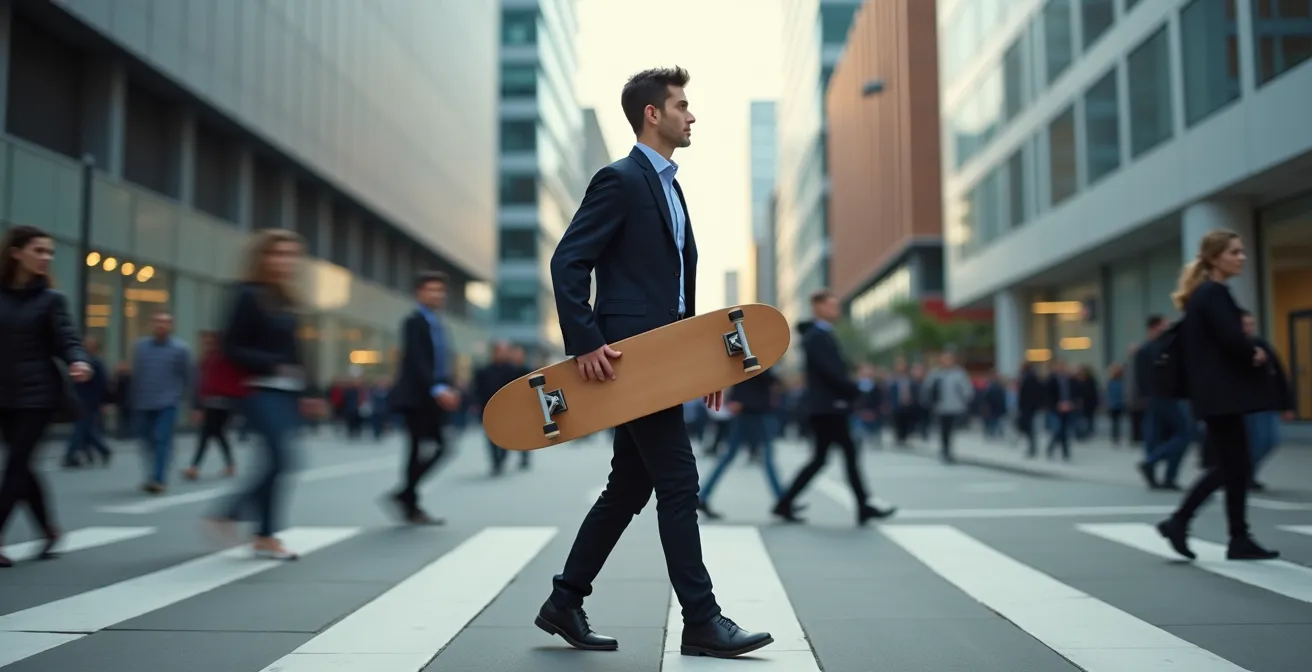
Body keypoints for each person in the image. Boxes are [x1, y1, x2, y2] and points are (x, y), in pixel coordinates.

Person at [536, 66, 772, 660]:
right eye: (683, 105)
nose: (691, 116)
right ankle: (701, 619)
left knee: (628, 485)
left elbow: (677, 296)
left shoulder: (671, 187)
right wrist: (585, 341)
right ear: (653, 114)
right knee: (678, 480)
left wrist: (705, 366)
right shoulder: (619, 180)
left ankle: (565, 600)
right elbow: (569, 264)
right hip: (626, 363)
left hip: (663, 363)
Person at [1156, 229, 1279, 561]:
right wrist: (1253, 353)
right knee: (1232, 465)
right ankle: (1181, 521)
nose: (1241, 257)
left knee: (1235, 466)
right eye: (1234, 252)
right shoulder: (1213, 294)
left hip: (1216, 395)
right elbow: (1230, 339)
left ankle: (1237, 537)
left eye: (1241, 251)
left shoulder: (1206, 294)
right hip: (1221, 395)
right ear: (1214, 258)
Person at [206, 229, 312, 560]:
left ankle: (265, 535)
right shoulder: (247, 294)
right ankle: (229, 512)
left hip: (286, 393)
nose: (284, 261)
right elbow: (230, 346)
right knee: (282, 459)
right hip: (256, 390)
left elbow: (297, 352)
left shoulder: (286, 299)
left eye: (290, 255)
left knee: (279, 462)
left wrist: (311, 390)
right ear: (262, 258)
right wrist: (273, 364)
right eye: (276, 254)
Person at [0, 225, 93, 568]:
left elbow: (66, 338)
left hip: (38, 395)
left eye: (49, 252)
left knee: (15, 465)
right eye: (39, 250)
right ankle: (49, 530)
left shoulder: (51, 300)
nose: (46, 258)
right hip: (3, 393)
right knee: (21, 466)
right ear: (16, 252)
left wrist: (78, 360)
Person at [771, 289, 896, 524]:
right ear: (818, 307)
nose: (836, 310)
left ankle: (785, 503)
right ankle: (862, 506)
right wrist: (857, 388)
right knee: (844, 455)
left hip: (828, 407)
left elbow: (836, 368)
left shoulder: (821, 335)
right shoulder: (817, 337)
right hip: (829, 407)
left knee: (824, 458)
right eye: (831, 306)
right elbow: (832, 372)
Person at [384, 271, 459, 525]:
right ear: (419, 293)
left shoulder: (438, 324)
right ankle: (409, 501)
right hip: (417, 397)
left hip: (435, 396)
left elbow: (441, 363)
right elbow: (417, 361)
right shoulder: (414, 322)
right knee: (416, 449)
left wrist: (449, 387)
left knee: (441, 447)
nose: (437, 295)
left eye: (441, 291)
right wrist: (438, 389)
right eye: (431, 290)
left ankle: (405, 495)